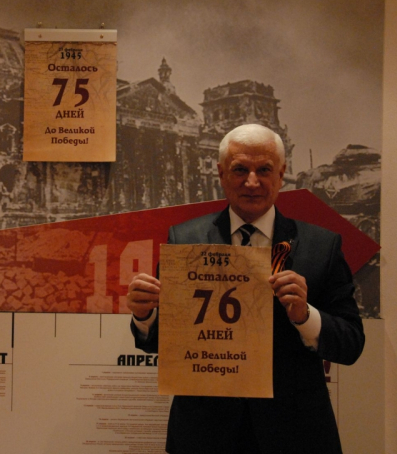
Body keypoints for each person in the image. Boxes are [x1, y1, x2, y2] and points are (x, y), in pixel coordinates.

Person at [126, 124, 365, 454]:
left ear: (281, 174)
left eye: (264, 170)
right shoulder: (185, 239)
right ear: (221, 174)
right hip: (205, 434)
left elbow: (351, 344)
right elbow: (162, 343)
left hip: (295, 433)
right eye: (240, 169)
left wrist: (305, 316)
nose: (252, 182)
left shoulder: (321, 246)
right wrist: (144, 316)